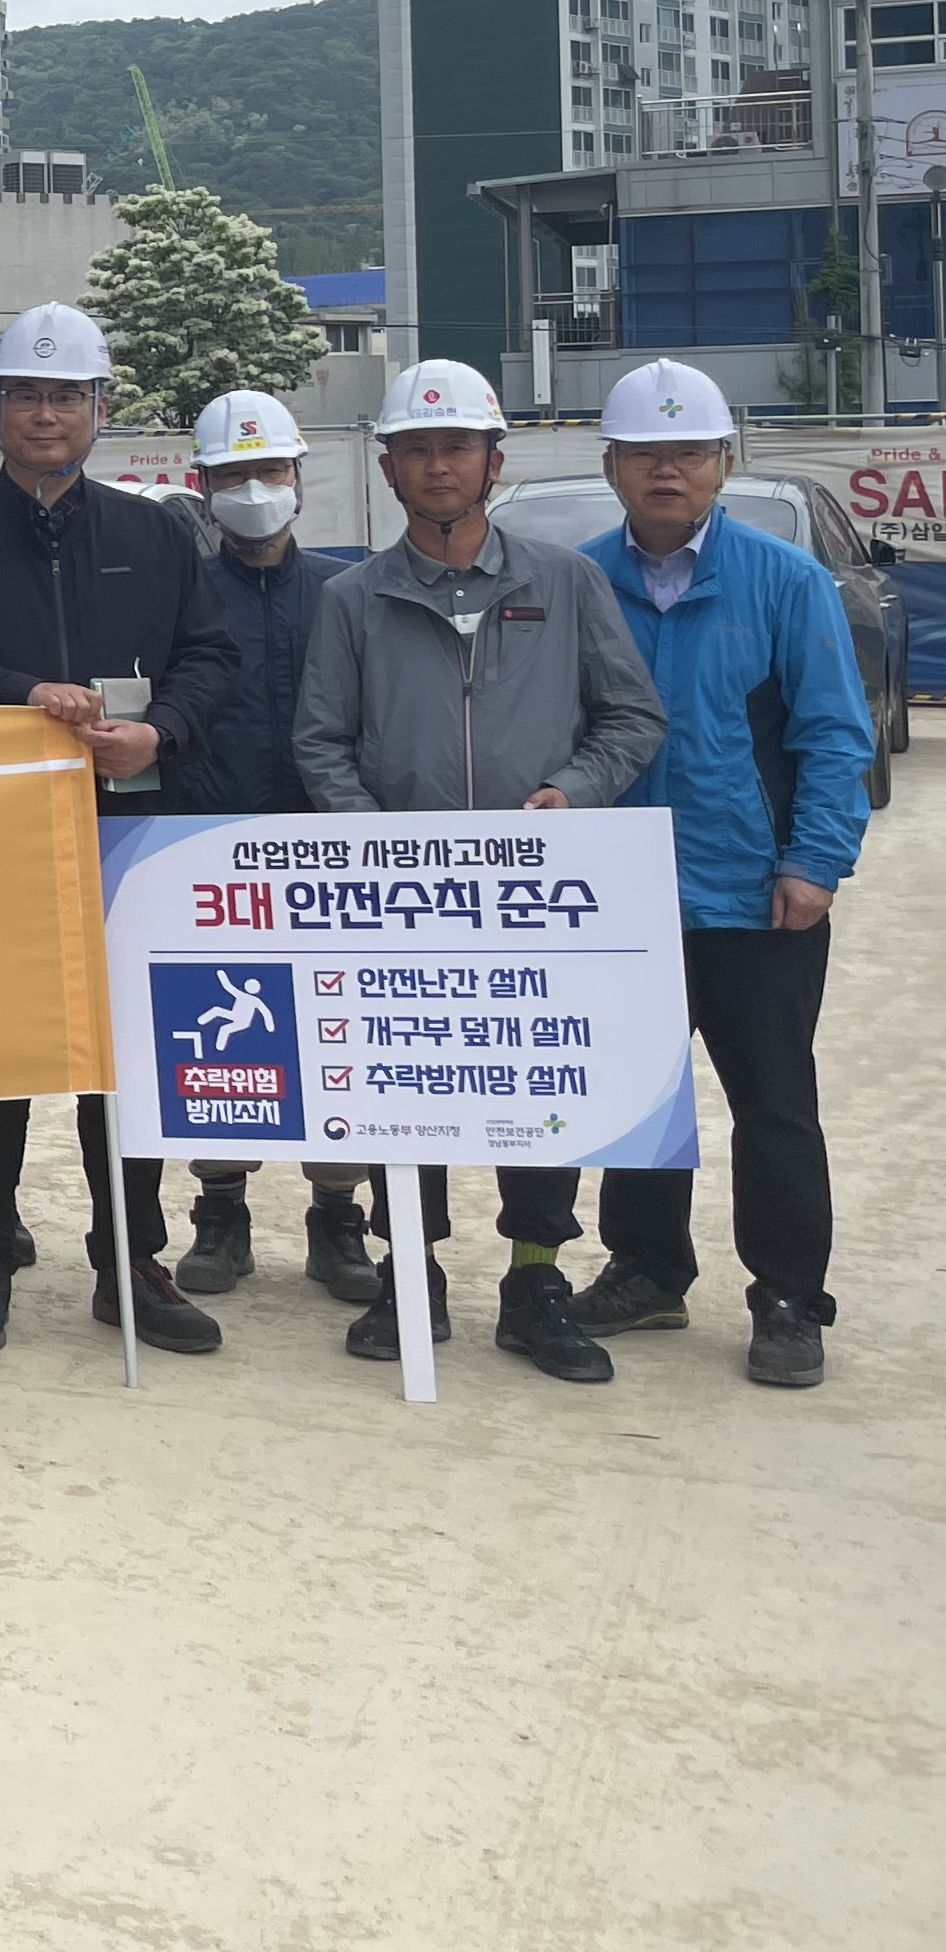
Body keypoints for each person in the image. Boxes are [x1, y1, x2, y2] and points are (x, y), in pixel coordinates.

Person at [0, 303, 240, 1359]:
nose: (45, 415)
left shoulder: (156, 534)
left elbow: (212, 657)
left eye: (66, 397)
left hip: (127, 831)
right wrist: (20, 694)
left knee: (120, 1058)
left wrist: (160, 732)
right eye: (26, 396)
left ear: (100, 408)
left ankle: (130, 1258)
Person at [294, 359, 665, 1382]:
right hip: (400, 900)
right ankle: (409, 1271)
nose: (437, 466)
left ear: (494, 462)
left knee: (531, 1078)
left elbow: (632, 718)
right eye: (415, 450)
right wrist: (375, 843)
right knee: (403, 1084)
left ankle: (536, 1279)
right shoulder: (352, 599)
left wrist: (571, 794)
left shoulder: (565, 582)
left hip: (535, 895)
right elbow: (322, 741)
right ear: (387, 468)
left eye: (456, 446)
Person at [564, 361, 868, 1388]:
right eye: (646, 455)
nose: (668, 472)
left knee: (773, 1102)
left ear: (724, 464)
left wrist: (814, 860)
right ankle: (647, 1269)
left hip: (755, 893)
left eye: (689, 453)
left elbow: (834, 734)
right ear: (612, 466)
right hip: (618, 894)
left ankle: (788, 1296)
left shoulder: (786, 581)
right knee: (641, 1098)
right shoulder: (577, 582)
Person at [158, 389, 371, 1303]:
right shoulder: (179, 596)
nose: (255, 490)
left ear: (299, 477)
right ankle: (220, 1213)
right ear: (202, 484)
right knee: (220, 1041)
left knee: (338, 1037)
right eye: (234, 474)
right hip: (211, 847)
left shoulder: (348, 591)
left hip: (329, 854)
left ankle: (339, 1219)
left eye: (271, 470)